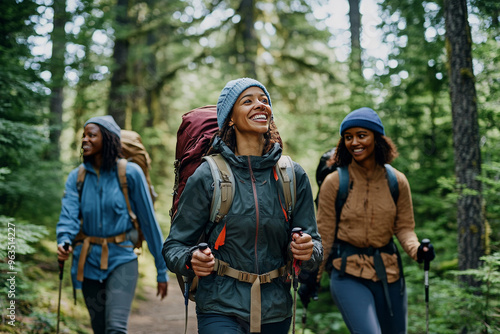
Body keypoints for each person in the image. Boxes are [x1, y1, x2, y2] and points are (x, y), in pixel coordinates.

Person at [163, 78, 322, 334]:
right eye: (247, 101)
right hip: (219, 306)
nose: (260, 105)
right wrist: (191, 259)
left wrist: (308, 250)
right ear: (230, 119)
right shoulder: (208, 176)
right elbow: (174, 246)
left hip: (276, 309)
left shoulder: (292, 176)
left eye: (264, 100)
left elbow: (315, 248)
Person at [316, 107, 436, 334]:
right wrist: (313, 276)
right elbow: (325, 235)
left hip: (389, 273)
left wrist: (418, 250)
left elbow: (404, 227)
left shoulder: (397, 181)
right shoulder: (334, 182)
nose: (354, 142)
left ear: (377, 138)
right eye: (348, 137)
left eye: (362, 135)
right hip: (347, 273)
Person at [56, 116, 168, 334]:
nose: (84, 140)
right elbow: (68, 215)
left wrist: (161, 269)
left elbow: (149, 223)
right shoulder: (76, 177)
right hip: (87, 262)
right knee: (99, 329)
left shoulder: (130, 173)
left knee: (115, 329)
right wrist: (64, 239)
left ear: (107, 140)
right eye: (83, 135)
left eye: (92, 135)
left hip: (122, 260)